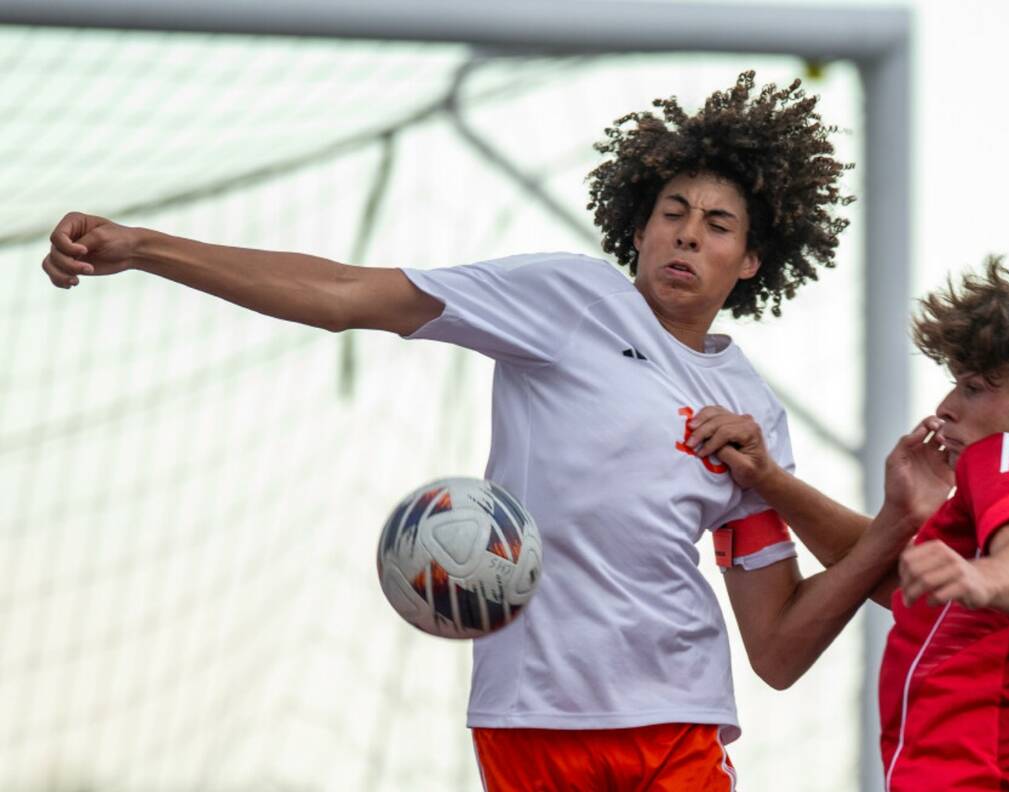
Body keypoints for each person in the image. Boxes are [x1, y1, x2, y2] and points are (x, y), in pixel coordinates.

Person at [40, 72, 935, 790]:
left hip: (676, 723)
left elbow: (777, 649)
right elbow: (352, 296)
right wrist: (147, 249)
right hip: (528, 721)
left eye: (717, 226)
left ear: (750, 262)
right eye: (671, 212)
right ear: (636, 223)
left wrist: (877, 523)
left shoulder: (752, 408)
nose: (687, 237)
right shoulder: (565, 301)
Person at [687, 250, 1009, 790]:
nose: (946, 405)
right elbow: (884, 572)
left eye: (974, 387)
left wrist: (981, 577)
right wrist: (778, 483)